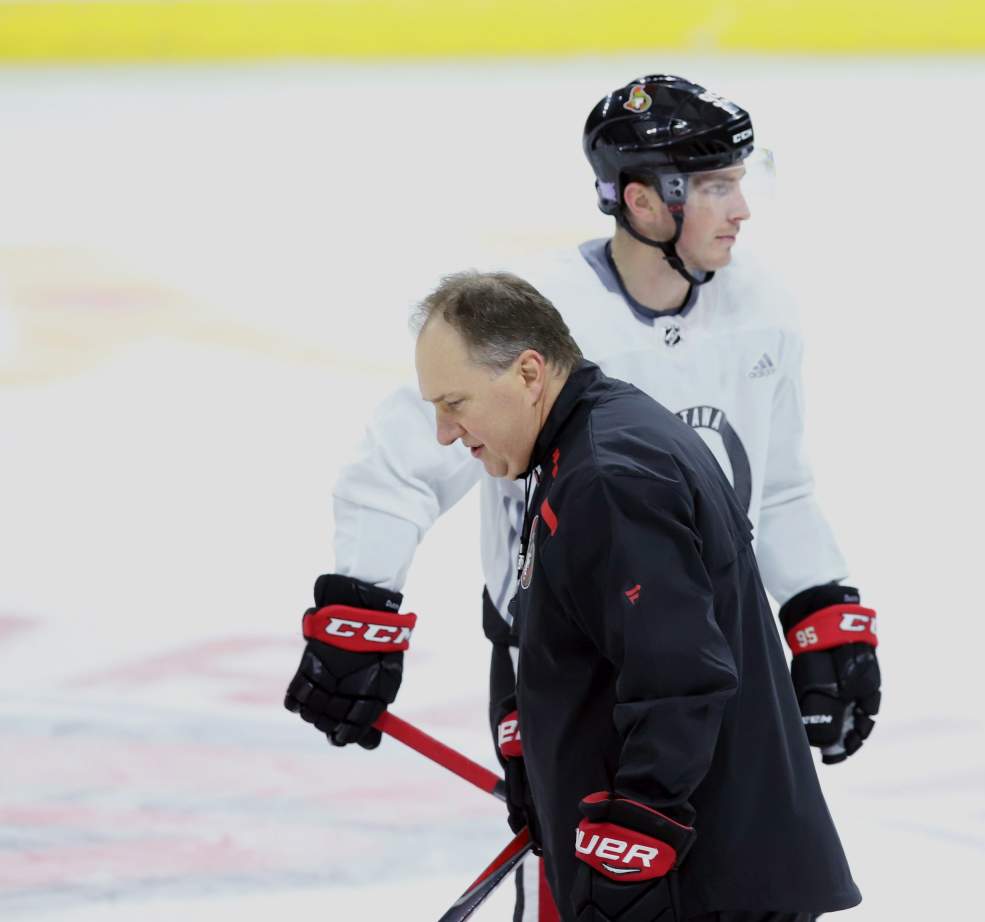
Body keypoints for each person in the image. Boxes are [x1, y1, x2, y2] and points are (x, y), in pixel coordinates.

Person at [283, 75, 881, 921]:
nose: (740, 208)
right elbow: (410, 454)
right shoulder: (536, 316)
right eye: (714, 186)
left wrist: (821, 612)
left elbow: (777, 487)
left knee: (729, 882)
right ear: (643, 201)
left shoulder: (763, 310)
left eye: (741, 181)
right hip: (563, 671)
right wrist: (360, 603)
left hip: (700, 665)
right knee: (588, 895)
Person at [415, 269, 863, 921]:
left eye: (454, 403)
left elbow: (680, 679)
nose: (444, 433)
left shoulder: (609, 479)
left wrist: (633, 846)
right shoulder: (588, 441)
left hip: (698, 892)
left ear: (529, 374)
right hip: (692, 883)